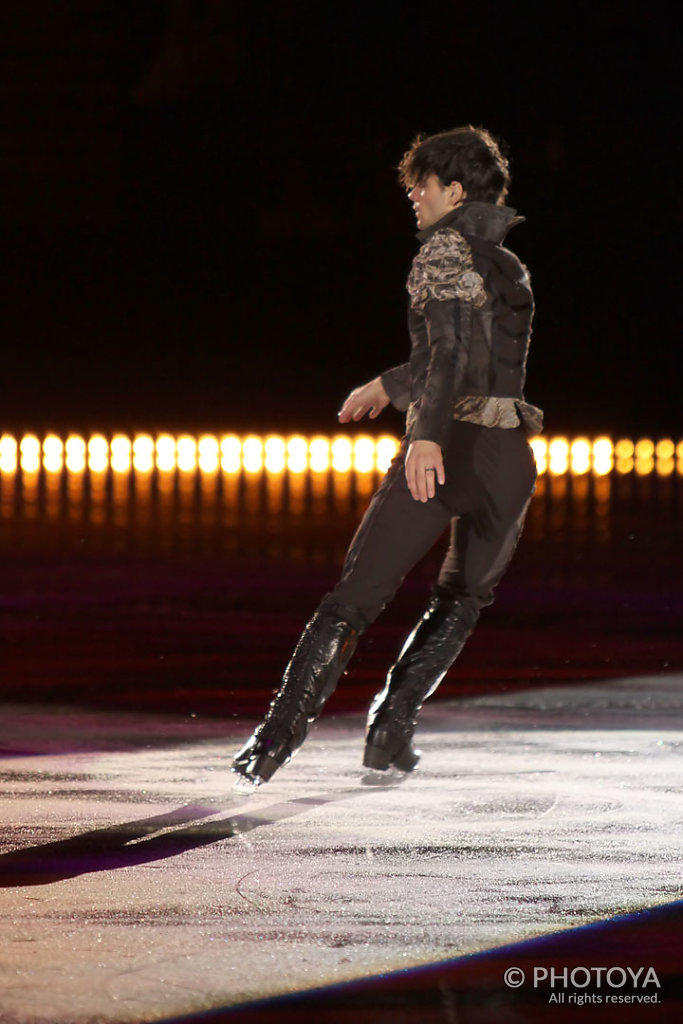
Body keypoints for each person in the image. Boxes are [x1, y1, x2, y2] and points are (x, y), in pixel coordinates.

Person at [231, 125, 542, 788]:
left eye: (421, 184)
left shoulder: (443, 250)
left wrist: (424, 433)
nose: (413, 195)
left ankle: (273, 741)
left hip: (450, 449)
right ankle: (390, 730)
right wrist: (390, 384)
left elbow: (452, 356)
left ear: (453, 190)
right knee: (461, 599)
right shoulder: (506, 262)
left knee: (353, 601)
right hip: (509, 458)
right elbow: (472, 354)